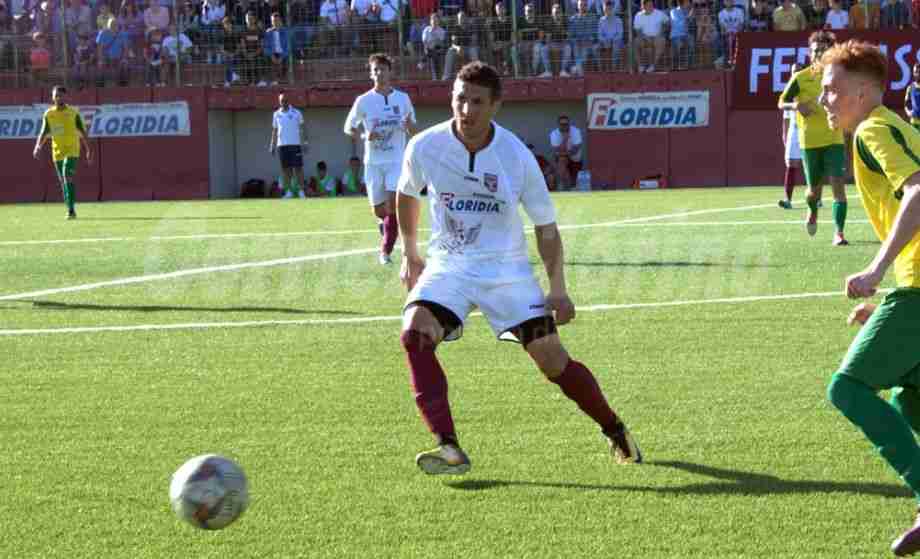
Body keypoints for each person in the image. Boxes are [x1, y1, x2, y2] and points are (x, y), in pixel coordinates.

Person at [396, 61, 641, 476]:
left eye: (477, 102)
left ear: (496, 106)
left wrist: (558, 288)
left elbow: (546, 228)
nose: (466, 110)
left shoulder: (516, 156)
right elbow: (406, 194)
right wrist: (410, 252)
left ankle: (615, 428)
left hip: (507, 271)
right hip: (450, 265)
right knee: (415, 334)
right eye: (459, 98)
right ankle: (449, 446)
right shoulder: (424, 146)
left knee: (552, 360)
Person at [817, 39, 920, 557]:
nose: (825, 101)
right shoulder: (903, 126)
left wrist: (876, 271)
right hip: (914, 286)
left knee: (848, 388)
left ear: (862, 91)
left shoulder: (875, 129)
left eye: (833, 89)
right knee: (908, 397)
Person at [344, 52, 418, 265]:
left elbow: (414, 128)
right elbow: (349, 128)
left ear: (390, 72)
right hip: (373, 163)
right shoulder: (363, 101)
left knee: (393, 206)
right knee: (379, 210)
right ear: (371, 74)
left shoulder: (402, 99)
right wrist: (366, 135)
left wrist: (408, 126)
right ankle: (385, 224)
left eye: (382, 69)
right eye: (375, 70)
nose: (379, 73)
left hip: (396, 161)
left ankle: (385, 251)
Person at [778, 30, 849, 245]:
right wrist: (796, 105)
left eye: (823, 50)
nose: (819, 54)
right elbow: (781, 102)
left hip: (834, 138)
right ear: (810, 54)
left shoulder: (839, 77)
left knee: (838, 186)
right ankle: (812, 211)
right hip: (810, 141)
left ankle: (839, 233)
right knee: (812, 193)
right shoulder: (800, 78)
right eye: (815, 50)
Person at [33, 86, 92, 220]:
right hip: (57, 152)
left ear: (66, 97)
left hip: (72, 150)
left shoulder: (73, 113)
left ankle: (71, 211)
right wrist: (38, 147)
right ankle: (69, 207)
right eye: (56, 96)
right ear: (52, 97)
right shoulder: (49, 114)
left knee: (67, 176)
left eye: (61, 95)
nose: (59, 98)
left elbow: (83, 132)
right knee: (63, 181)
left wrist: (89, 150)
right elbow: (43, 132)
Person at [269, 91, 308, 199]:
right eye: (282, 101)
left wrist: (305, 142)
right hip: (282, 145)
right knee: (286, 170)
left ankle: (301, 191)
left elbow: (303, 128)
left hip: (295, 145)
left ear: (289, 101)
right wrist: (272, 144)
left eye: (285, 101)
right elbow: (274, 130)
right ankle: (289, 192)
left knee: (298, 168)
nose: (284, 103)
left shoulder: (297, 113)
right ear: (279, 102)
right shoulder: (276, 114)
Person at [779, 63, 803, 209]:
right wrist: (785, 136)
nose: (795, 74)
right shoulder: (788, 93)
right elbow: (786, 119)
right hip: (794, 133)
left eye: (798, 71)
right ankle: (788, 199)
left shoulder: (810, 88)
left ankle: (816, 197)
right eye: (793, 71)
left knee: (810, 165)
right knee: (791, 165)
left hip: (809, 131)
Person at [550, 115, 583, 190]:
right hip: (561, 159)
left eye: (566, 124)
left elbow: (575, 150)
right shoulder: (554, 134)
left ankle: (567, 186)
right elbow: (556, 150)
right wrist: (565, 139)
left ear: (569, 124)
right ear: (558, 125)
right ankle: (563, 185)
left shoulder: (575, 131)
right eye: (562, 124)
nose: (564, 126)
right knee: (562, 160)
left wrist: (562, 153)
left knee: (562, 158)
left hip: (575, 159)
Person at [904, 61, 920, 133]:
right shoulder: (910, 87)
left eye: (919, 72)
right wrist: (908, 112)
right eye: (915, 72)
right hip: (914, 123)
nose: (917, 74)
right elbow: (906, 103)